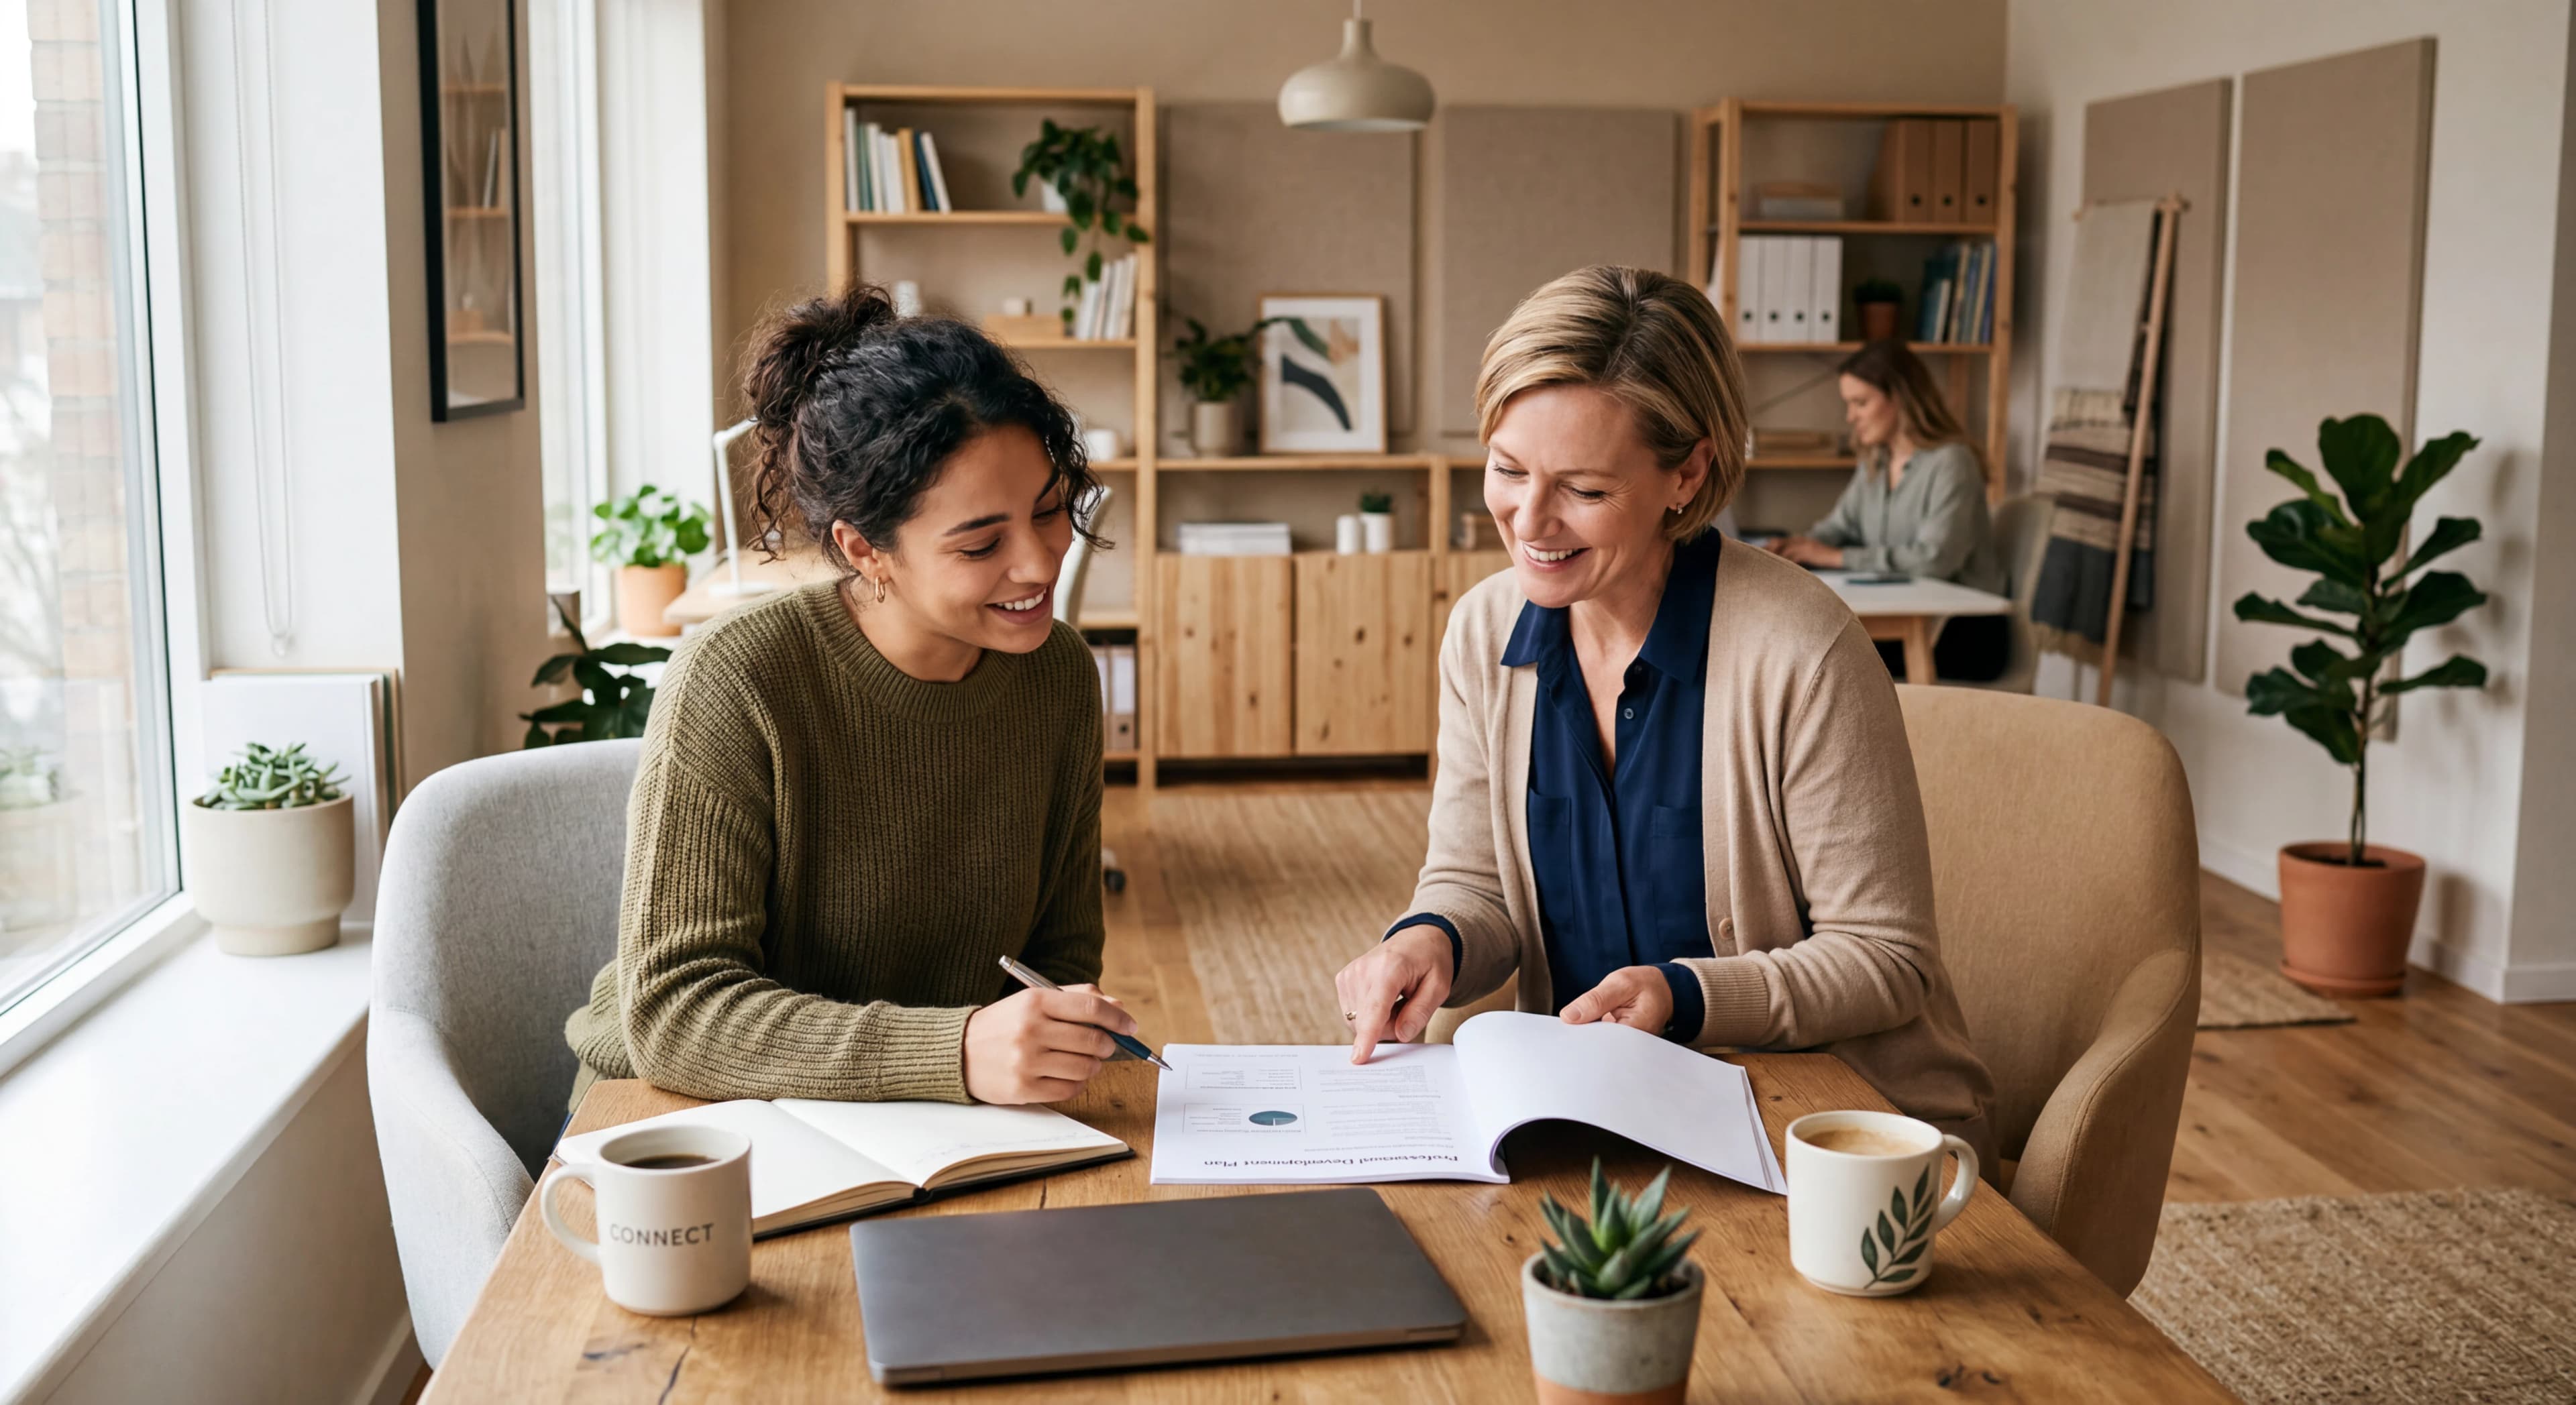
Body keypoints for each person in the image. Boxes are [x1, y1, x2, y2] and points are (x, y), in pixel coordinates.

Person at [1331, 267, 1996, 1166]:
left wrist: (1685, 996)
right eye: (1507, 469)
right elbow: (1474, 880)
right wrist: (1429, 938)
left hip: (1831, 1132)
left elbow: (1886, 957)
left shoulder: (1803, 649)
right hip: (1600, 1117)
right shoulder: (1485, 632)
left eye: (1585, 489)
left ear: (1688, 471)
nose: (1529, 518)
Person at [559, 281, 1138, 1111]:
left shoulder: (1059, 676)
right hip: (686, 1115)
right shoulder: (739, 679)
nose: (1043, 563)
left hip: (931, 1120)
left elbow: (1060, 956)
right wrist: (955, 1051)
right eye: (981, 544)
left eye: (1050, 511)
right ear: (864, 549)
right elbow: (673, 1010)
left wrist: (1046, 1037)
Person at [1769, 340, 2010, 681]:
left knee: (1822, 659)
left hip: (1962, 632)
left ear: (1900, 398)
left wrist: (1834, 557)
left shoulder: (1952, 462)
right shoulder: (1876, 462)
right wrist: (1791, 549)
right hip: (1909, 623)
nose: (1851, 417)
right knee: (1802, 647)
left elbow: (1935, 561)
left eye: (1861, 403)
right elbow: (1839, 527)